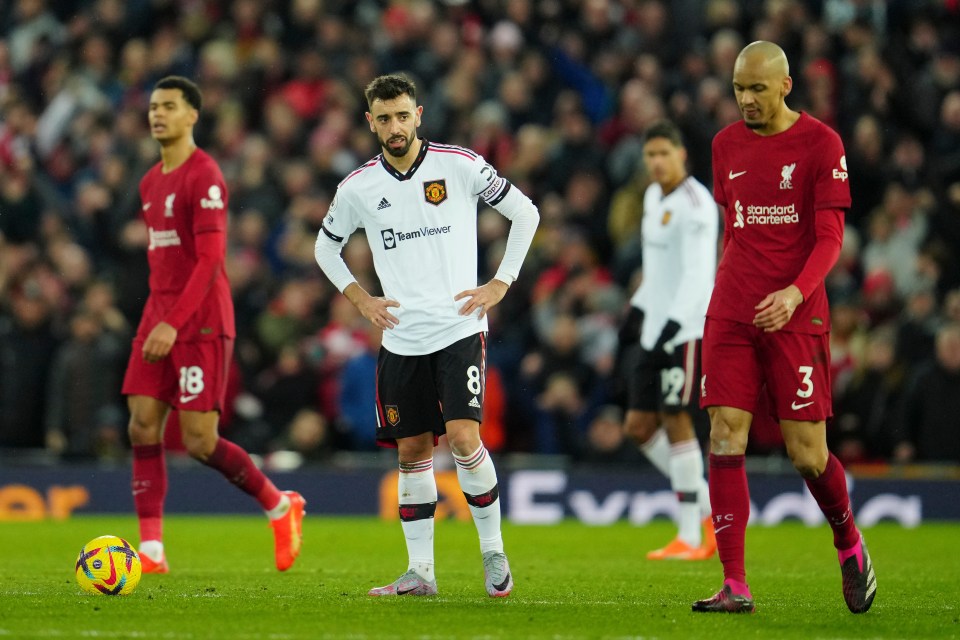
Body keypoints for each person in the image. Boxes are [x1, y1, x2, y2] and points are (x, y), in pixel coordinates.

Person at [314, 74, 539, 597]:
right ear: (370, 123)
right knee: (411, 452)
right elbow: (325, 249)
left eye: (402, 115)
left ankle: (493, 553)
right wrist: (361, 299)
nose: (394, 126)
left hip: (459, 327)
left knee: (463, 437)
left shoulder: (457, 165)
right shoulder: (357, 187)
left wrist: (501, 282)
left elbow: (525, 213)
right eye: (384, 118)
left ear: (419, 114)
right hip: (401, 339)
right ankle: (421, 574)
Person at [693, 41, 877, 614]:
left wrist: (796, 293)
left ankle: (848, 540)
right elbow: (736, 227)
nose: (746, 100)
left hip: (797, 312)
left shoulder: (822, 144)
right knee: (725, 433)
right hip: (732, 309)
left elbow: (830, 238)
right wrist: (733, 293)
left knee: (806, 454)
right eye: (738, 89)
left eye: (757, 89)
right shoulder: (725, 145)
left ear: (785, 86)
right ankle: (735, 583)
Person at [121, 76, 305, 575]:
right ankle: (152, 550)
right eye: (153, 106)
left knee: (199, 439)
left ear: (192, 116)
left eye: (170, 107)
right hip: (157, 315)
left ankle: (279, 504)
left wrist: (173, 325)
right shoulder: (149, 180)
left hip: (199, 322)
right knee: (141, 425)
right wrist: (157, 321)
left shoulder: (205, 176)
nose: (158, 114)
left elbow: (208, 262)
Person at [619, 120, 718, 560]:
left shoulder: (697, 204)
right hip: (654, 326)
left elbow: (699, 273)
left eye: (663, 153)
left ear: (682, 154)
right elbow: (658, 269)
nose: (656, 163)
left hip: (686, 329)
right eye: (649, 156)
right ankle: (708, 505)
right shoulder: (652, 196)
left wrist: (676, 325)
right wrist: (638, 308)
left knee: (677, 420)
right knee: (639, 427)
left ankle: (691, 536)